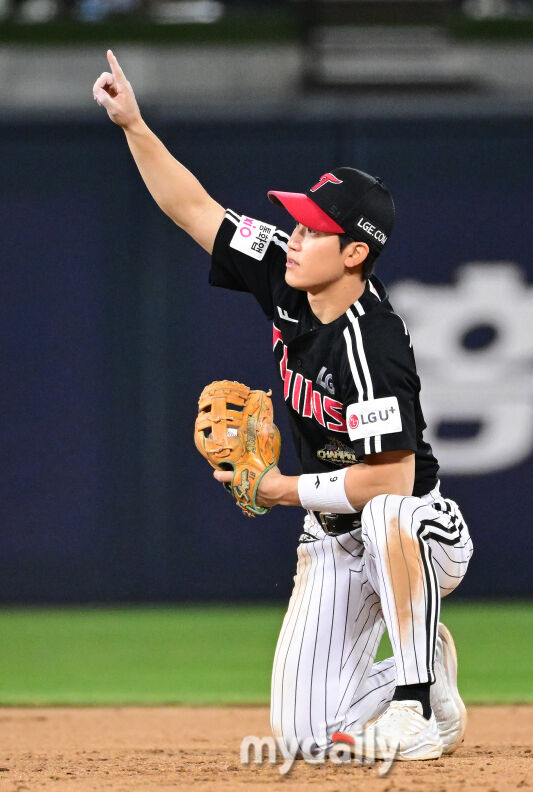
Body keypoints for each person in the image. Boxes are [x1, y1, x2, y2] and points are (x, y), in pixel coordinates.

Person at [93, 50, 474, 762]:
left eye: (312, 230)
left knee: (388, 513)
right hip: (332, 538)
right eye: (296, 223)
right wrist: (134, 125)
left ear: (354, 253)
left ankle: (416, 704)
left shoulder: (372, 344)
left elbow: (391, 481)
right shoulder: (283, 271)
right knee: (302, 738)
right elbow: (194, 208)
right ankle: (432, 677)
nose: (293, 239)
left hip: (419, 532)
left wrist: (280, 489)